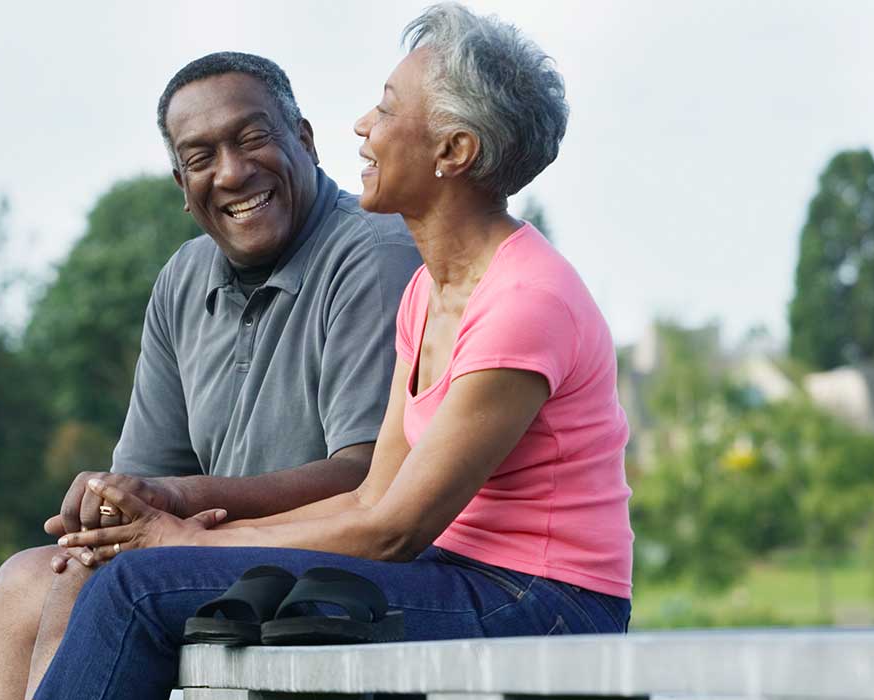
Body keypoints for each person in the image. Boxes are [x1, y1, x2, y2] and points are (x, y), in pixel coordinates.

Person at [33, 4, 633, 697]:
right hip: (456, 578)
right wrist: (188, 529)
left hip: (543, 605)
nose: (361, 128)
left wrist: (181, 545)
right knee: (144, 579)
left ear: (453, 151)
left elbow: (390, 531)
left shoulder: (526, 301)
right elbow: (372, 496)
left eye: (385, 109)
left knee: (138, 589)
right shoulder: (430, 292)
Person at [0, 52, 423, 699]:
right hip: (218, 556)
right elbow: (150, 479)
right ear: (181, 183)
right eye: (202, 157)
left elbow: (372, 474)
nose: (233, 173)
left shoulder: (374, 254)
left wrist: (175, 503)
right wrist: (112, 503)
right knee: (27, 578)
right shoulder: (182, 278)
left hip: (334, 565)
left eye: (252, 137)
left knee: (96, 582)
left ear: (306, 140)